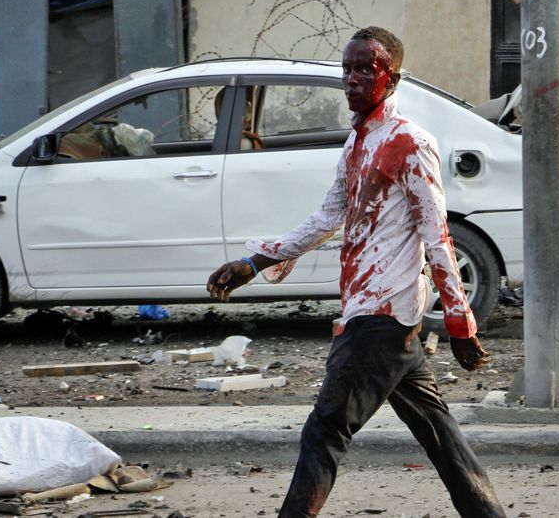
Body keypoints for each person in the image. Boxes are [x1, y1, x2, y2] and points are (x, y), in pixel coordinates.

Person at [207, 26, 506, 518]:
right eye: (347, 68)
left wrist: (460, 323)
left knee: (324, 433)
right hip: (386, 320)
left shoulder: (410, 142)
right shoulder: (357, 144)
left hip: (382, 318)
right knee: (443, 439)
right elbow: (327, 217)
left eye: (365, 68)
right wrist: (255, 261)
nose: (352, 78)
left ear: (392, 79)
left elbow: (437, 235)